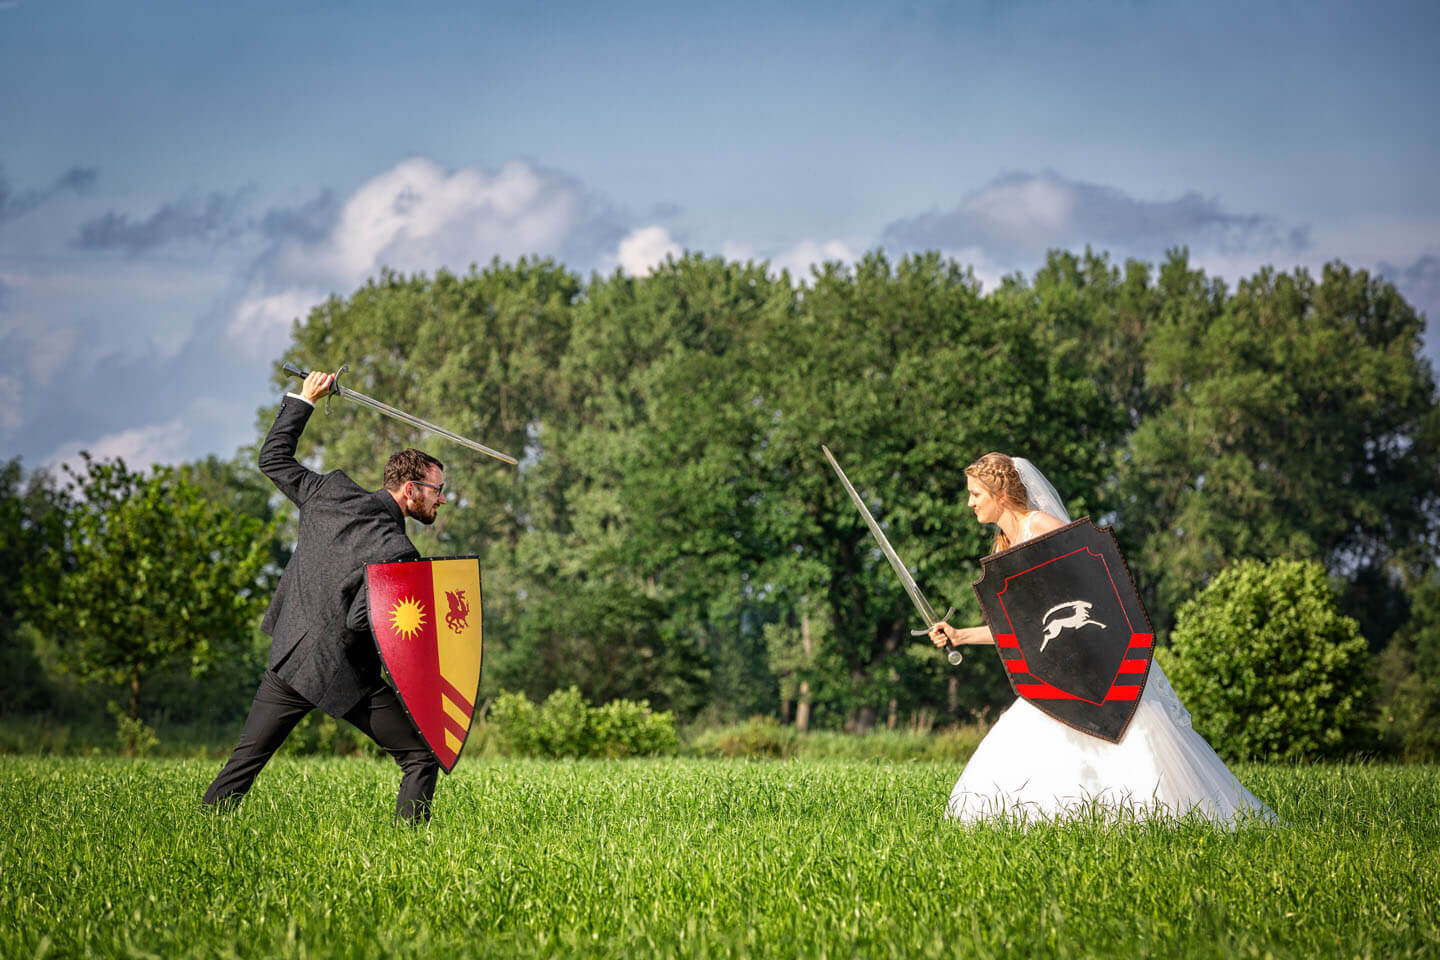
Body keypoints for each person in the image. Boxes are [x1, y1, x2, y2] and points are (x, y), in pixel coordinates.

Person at [928, 452, 1276, 826]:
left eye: (975, 494)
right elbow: (1023, 628)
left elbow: (1096, 589)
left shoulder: (1040, 527)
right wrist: (960, 634)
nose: (970, 503)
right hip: (1054, 673)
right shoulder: (1003, 547)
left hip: (1094, 668)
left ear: (998, 492)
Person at [202, 370, 446, 823]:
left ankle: (203, 829)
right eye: (438, 490)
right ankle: (412, 849)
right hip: (345, 676)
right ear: (409, 490)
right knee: (420, 758)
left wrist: (306, 397)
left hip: (291, 657)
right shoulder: (399, 551)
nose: (443, 500)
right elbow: (359, 622)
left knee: (243, 766)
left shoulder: (329, 492)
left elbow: (272, 459)